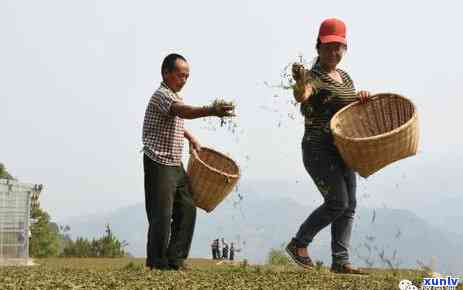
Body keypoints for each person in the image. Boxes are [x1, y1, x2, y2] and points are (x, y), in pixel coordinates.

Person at [286, 18, 371, 275]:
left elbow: (349, 112)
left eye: (339, 47)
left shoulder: (345, 77)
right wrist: (300, 82)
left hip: (343, 149)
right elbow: (302, 95)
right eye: (329, 46)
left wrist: (361, 98)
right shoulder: (313, 76)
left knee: (350, 204)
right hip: (318, 149)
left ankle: (340, 261)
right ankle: (299, 243)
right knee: (337, 202)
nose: (334, 52)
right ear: (318, 47)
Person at [143, 53, 235, 270]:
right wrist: (211, 110)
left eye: (187, 76)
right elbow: (183, 111)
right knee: (162, 215)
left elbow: (175, 119)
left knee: (187, 209)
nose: (184, 80)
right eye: (180, 75)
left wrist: (190, 136)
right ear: (166, 73)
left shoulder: (174, 96)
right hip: (159, 162)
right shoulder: (162, 95)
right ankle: (157, 263)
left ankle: (176, 259)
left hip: (176, 163)